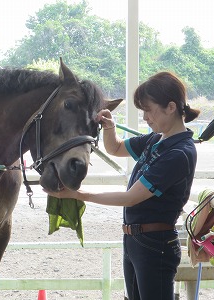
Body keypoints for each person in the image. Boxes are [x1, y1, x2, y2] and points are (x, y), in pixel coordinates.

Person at [44, 71, 200, 300]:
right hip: (135, 239)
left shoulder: (179, 153)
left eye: (149, 109)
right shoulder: (156, 139)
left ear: (171, 107)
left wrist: (77, 194)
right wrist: (109, 127)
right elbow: (115, 148)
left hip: (155, 243)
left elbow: (130, 198)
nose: (146, 117)